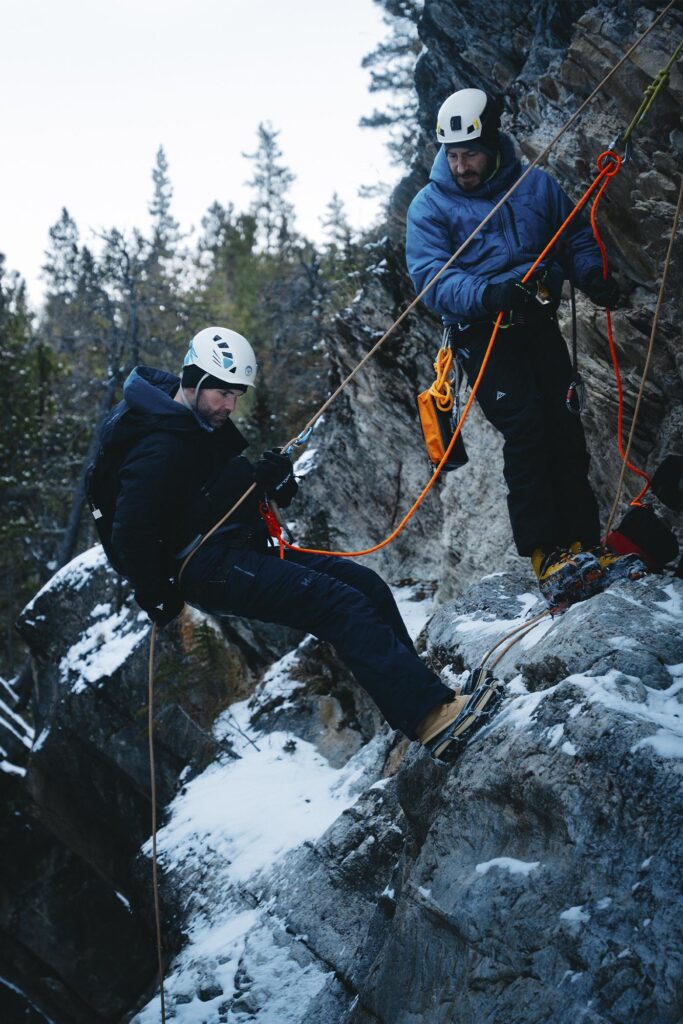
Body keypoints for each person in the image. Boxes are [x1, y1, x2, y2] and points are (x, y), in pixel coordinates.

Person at [91, 326, 499, 761]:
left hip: (237, 550)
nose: (230, 406)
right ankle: (429, 719)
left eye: (237, 395)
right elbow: (133, 531)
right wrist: (156, 595)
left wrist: (271, 483)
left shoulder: (193, 422)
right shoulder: (159, 446)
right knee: (339, 605)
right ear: (195, 379)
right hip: (208, 568)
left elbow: (203, 494)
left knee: (366, 587)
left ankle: (428, 698)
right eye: (223, 394)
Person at [406, 88, 644, 608]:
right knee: (528, 428)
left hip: (535, 319)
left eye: (470, 153)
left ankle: (584, 544)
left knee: (564, 423)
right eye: (452, 154)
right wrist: (489, 294)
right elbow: (430, 280)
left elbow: (574, 235)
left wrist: (591, 274)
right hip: (482, 332)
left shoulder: (534, 186)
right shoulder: (431, 205)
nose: (461, 165)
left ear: (494, 145)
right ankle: (546, 554)